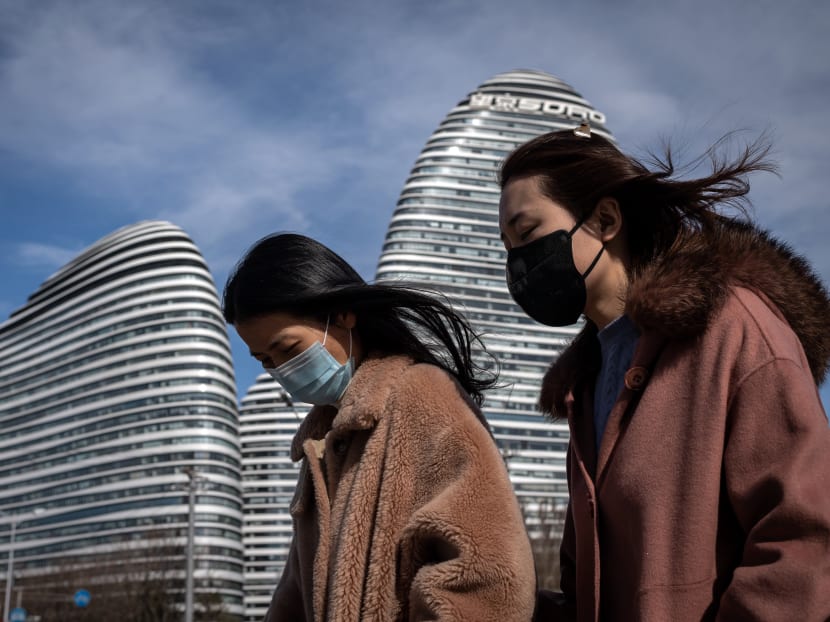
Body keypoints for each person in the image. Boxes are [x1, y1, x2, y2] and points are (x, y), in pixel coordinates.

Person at [497, 125, 830, 621]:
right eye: (506, 246)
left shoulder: (734, 328)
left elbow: (805, 541)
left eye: (528, 235)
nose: (518, 263)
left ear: (606, 219)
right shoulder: (585, 384)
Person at [222, 233, 536, 622]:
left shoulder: (424, 396)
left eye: (288, 349)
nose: (280, 371)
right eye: (265, 361)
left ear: (343, 314)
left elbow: (487, 571)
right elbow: (296, 591)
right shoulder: (321, 447)